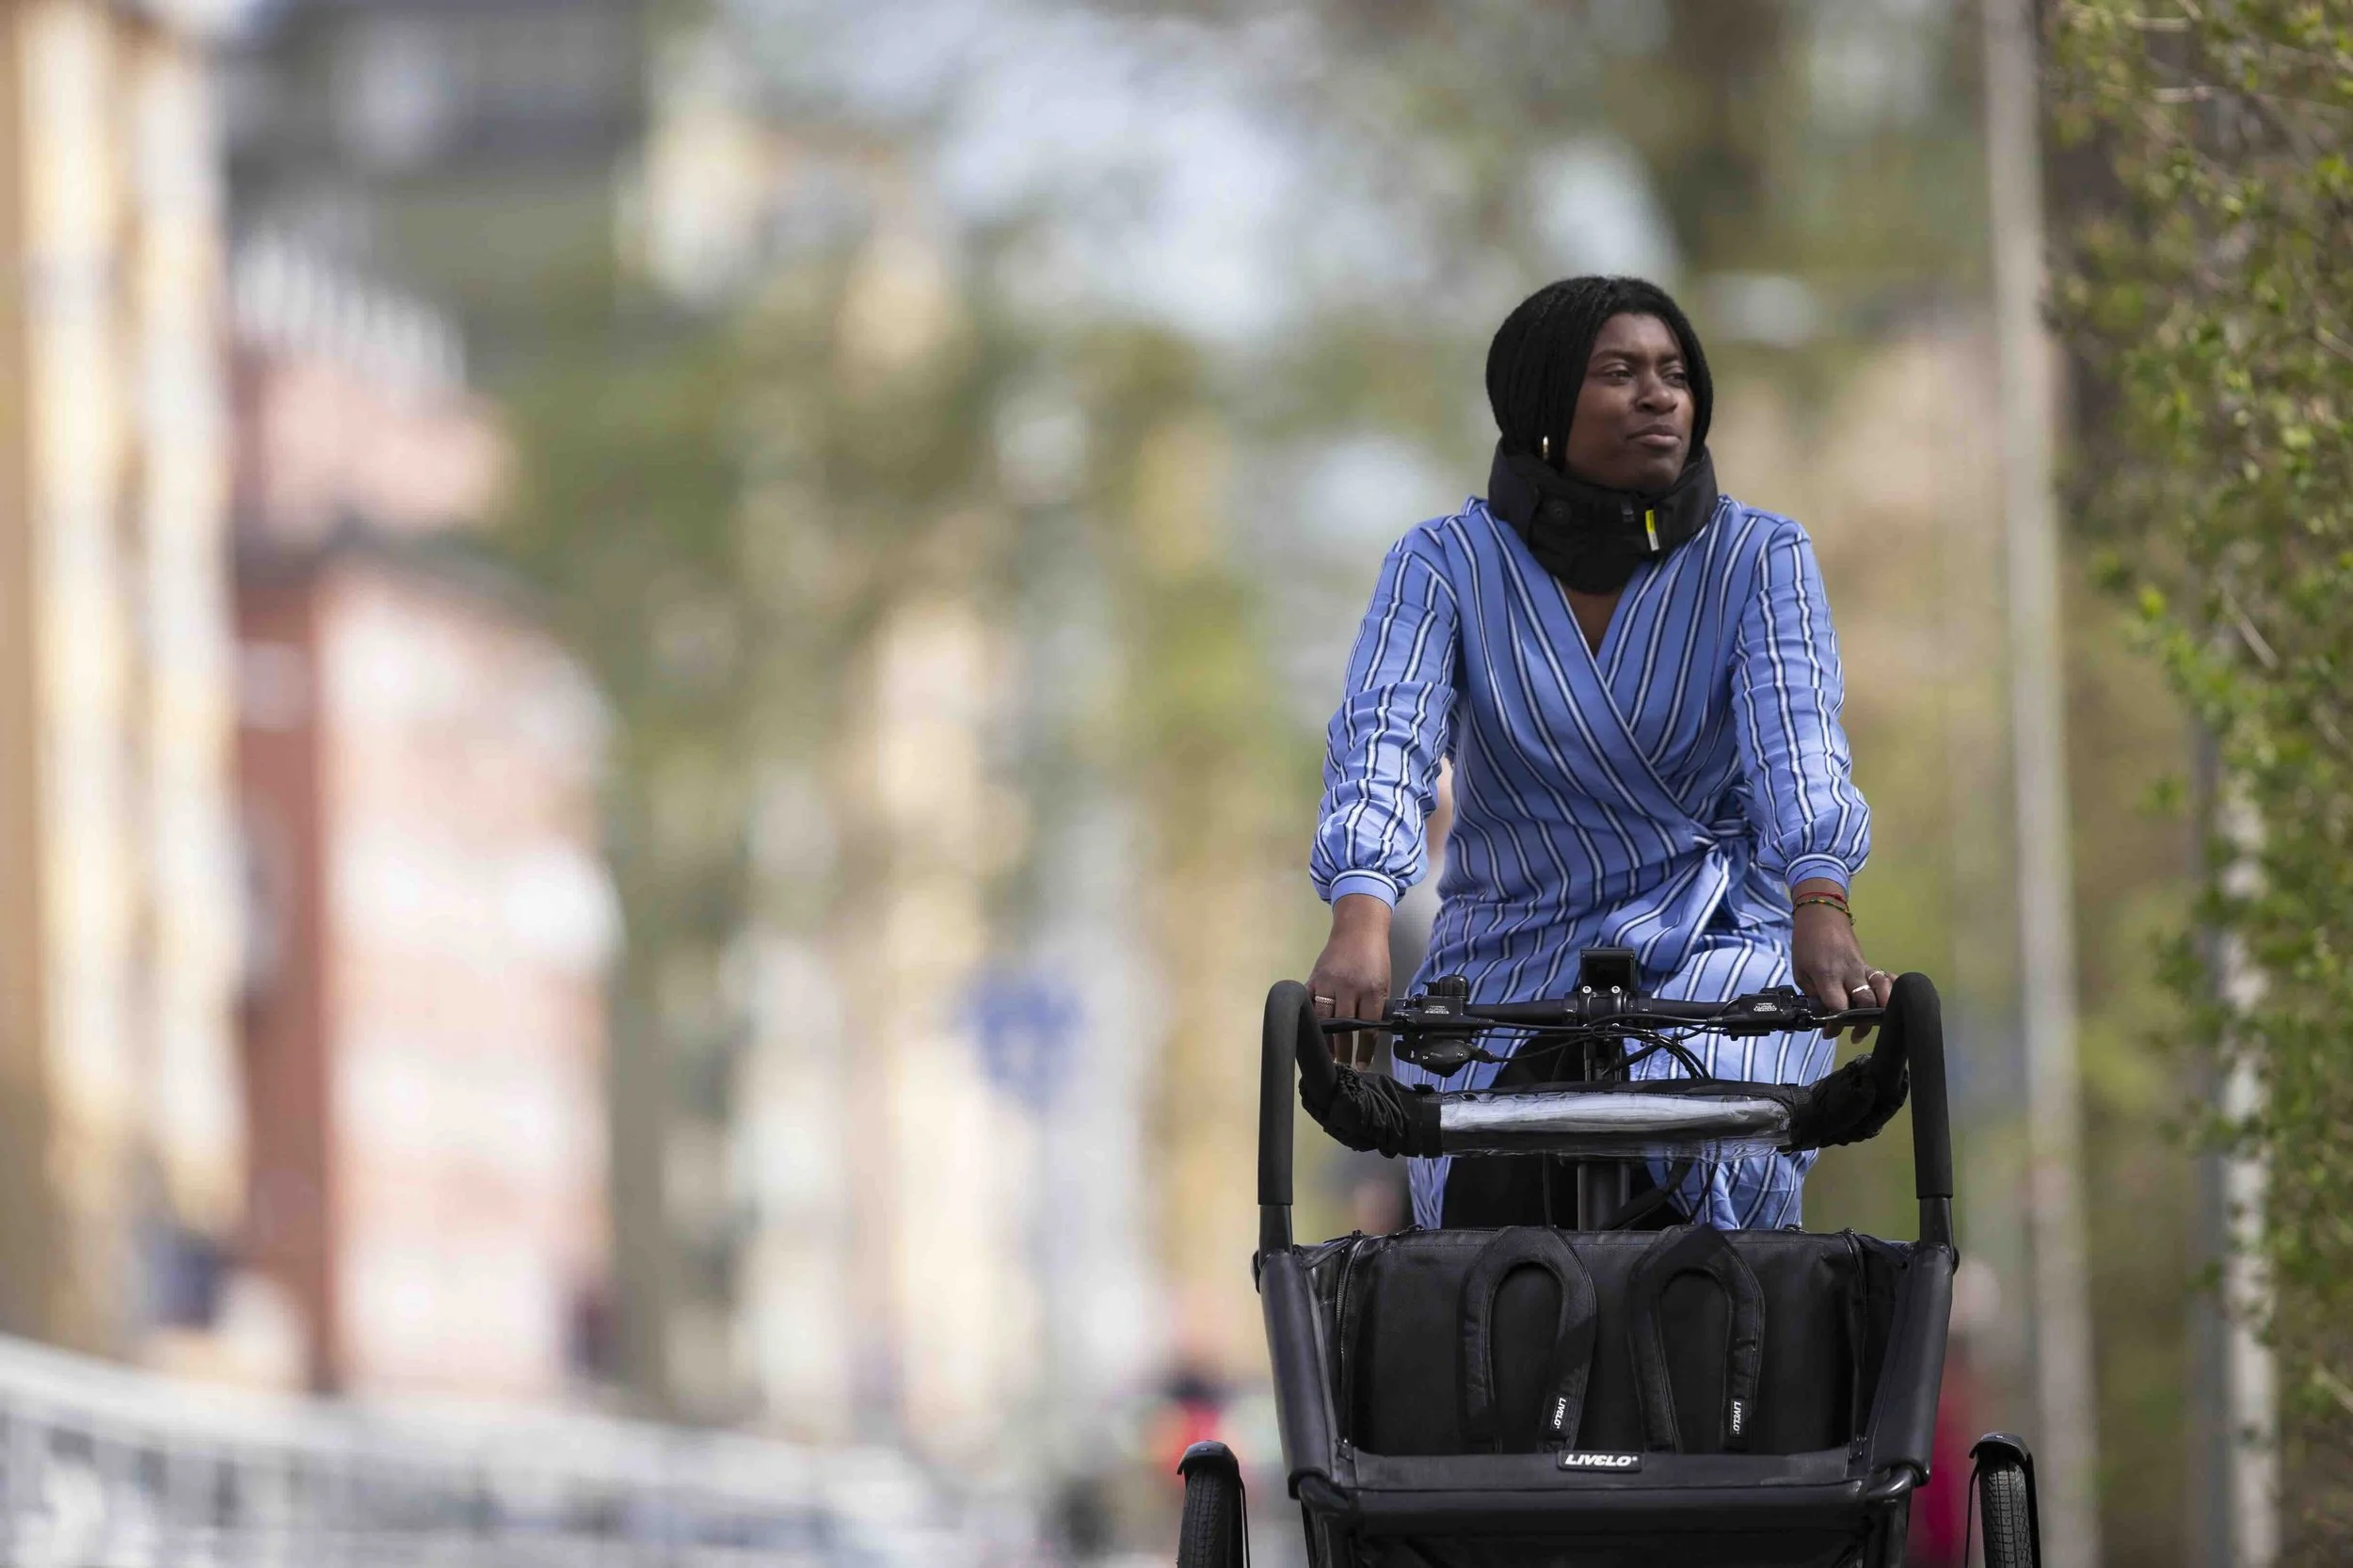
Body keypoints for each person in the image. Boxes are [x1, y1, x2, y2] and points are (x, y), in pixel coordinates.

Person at [1307, 275, 1892, 1232]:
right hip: (1504, 959)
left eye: (1673, 373)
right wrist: (1361, 918)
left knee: (1712, 1145)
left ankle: (1730, 1369)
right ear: (1543, 404)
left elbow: (1798, 745)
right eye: (1617, 372)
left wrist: (1819, 900)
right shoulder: (1441, 563)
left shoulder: (1760, 558)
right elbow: (1386, 742)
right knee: (1478, 1213)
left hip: (1717, 945)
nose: (1657, 395)